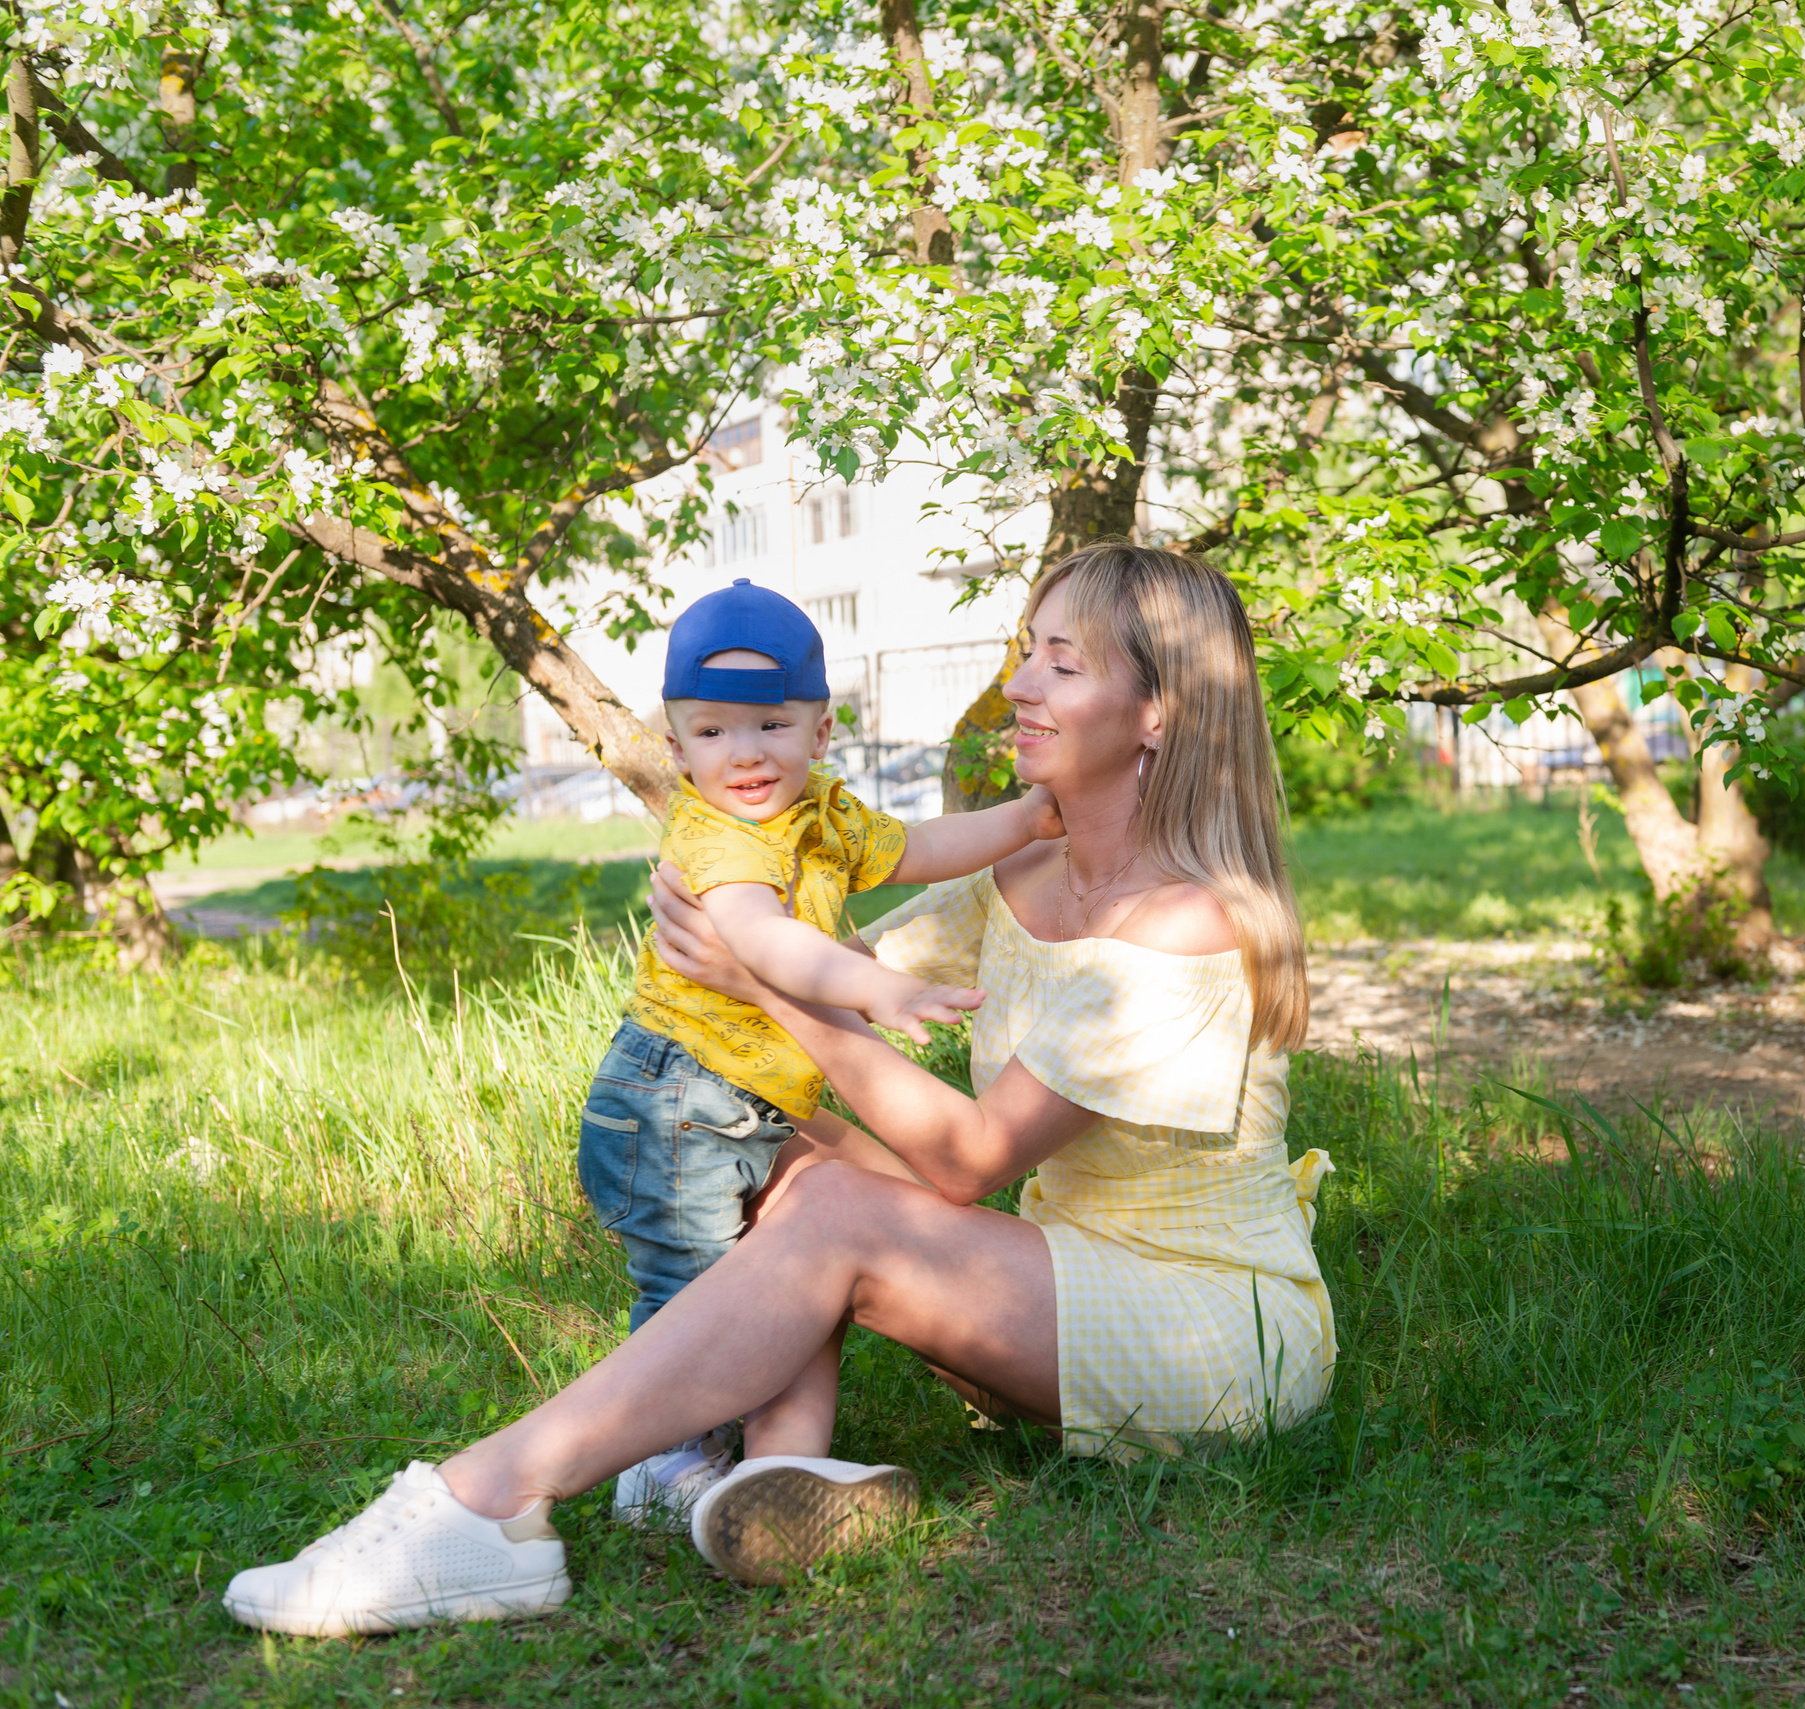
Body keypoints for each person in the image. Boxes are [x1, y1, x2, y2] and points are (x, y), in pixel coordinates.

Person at [222, 544, 1333, 1637]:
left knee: (831, 1196)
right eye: (1026, 652)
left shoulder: (1188, 919)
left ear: (1159, 712)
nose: (1019, 686)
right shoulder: (1029, 872)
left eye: (1062, 662)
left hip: (1217, 1335)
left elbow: (969, 1156)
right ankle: (782, 1466)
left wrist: (763, 975)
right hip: (1062, 1282)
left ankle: (486, 1499)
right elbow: (818, 966)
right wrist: (732, 904)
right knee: (757, 1134)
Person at [579, 576, 1063, 1528]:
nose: (744, 754)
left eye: (769, 724)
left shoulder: (823, 815)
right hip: (673, 1103)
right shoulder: (718, 837)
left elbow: (917, 844)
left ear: (821, 729)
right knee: (697, 1290)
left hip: (738, 1104)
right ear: (676, 749)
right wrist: (879, 986)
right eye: (711, 734)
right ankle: (659, 1462)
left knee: (762, 1279)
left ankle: (766, 1468)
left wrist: (1028, 820)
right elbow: (763, 946)